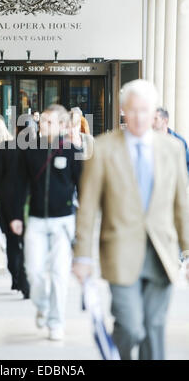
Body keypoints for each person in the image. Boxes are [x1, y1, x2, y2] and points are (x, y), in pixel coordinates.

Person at [73, 79, 189, 360]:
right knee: (132, 327)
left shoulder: (172, 149)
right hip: (120, 252)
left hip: (162, 252)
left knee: (154, 327)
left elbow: (181, 205)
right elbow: (87, 207)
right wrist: (82, 257)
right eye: (133, 110)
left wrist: (187, 249)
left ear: (155, 114)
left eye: (145, 110)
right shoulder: (102, 149)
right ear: (124, 110)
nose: (138, 117)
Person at [10, 104, 83, 341]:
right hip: (37, 221)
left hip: (64, 221)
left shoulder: (72, 151)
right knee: (34, 271)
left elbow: (83, 186)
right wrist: (16, 216)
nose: (44, 126)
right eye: (42, 122)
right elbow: (19, 184)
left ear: (63, 125)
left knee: (60, 274)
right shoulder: (30, 151)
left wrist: (84, 221)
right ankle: (41, 304)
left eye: (50, 122)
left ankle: (56, 322)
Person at [0, 115, 30, 298]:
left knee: (13, 242)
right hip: (29, 202)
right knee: (28, 242)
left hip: (7, 201)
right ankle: (23, 277)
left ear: (16, 129)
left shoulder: (5, 148)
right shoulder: (39, 149)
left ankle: (16, 276)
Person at [153, 107, 189, 175]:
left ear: (165, 120)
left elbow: (187, 164)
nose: (152, 122)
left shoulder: (179, 141)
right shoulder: (148, 140)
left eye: (155, 119)